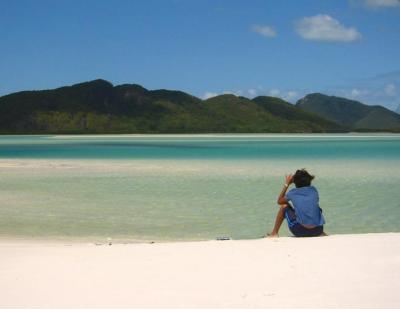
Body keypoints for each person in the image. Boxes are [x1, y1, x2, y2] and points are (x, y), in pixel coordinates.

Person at [266, 169, 326, 237]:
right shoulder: (314, 190)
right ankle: (319, 230)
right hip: (318, 230)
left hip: (300, 231)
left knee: (284, 206)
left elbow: (279, 201)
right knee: (316, 208)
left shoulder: (293, 192)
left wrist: (287, 184)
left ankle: (274, 233)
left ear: (295, 183)